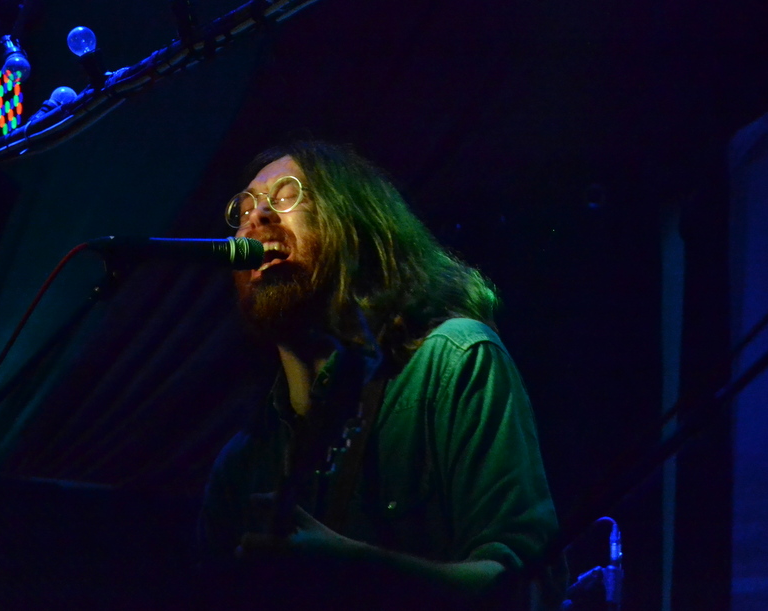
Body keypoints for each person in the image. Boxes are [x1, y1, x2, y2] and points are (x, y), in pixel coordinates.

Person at [198, 141, 563, 609]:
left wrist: (353, 567)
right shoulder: (243, 461)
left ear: (358, 230)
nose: (257, 216)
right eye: (245, 208)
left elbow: (525, 587)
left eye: (287, 195)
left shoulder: (455, 361)